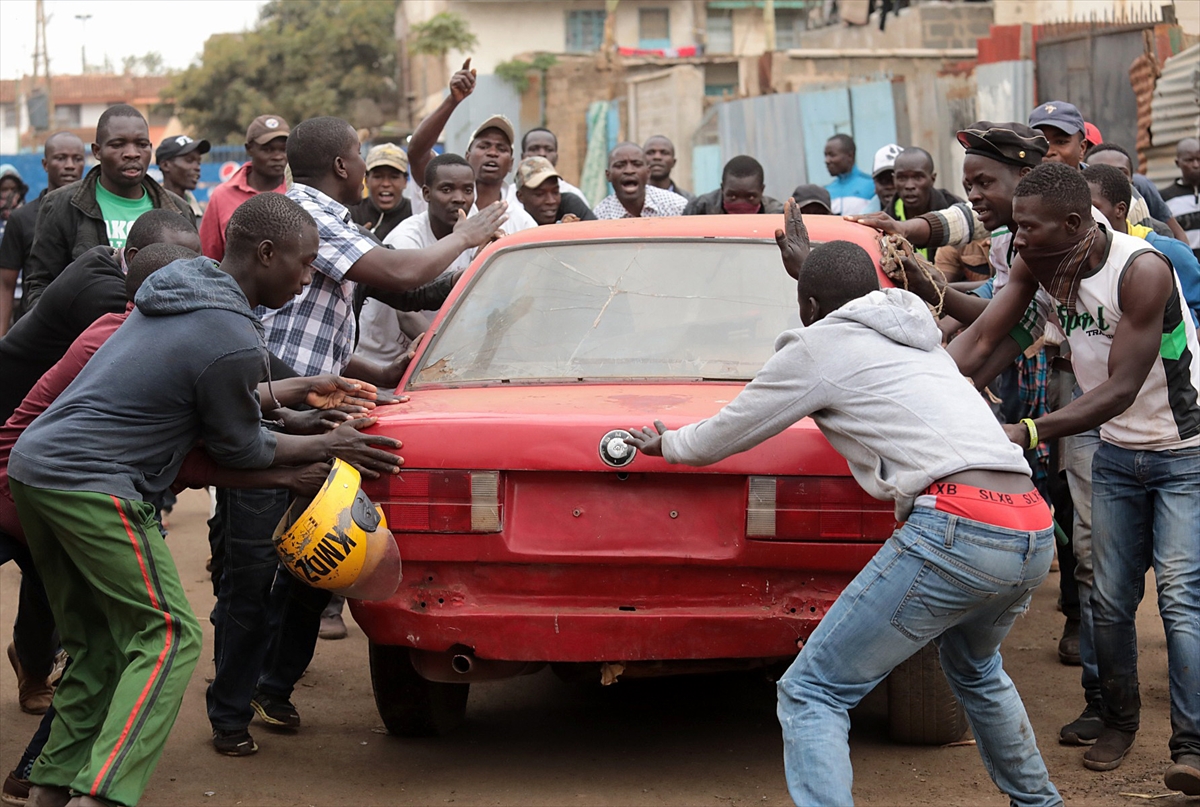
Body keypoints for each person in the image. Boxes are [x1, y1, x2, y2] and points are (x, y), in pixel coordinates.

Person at [625, 200, 1062, 807]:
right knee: (978, 669)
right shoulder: (918, 338)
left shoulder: (816, 347)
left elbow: (722, 435)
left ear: (807, 308)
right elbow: (848, 300)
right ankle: (1040, 802)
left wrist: (665, 444)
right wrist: (812, 270)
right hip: (1029, 525)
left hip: (957, 528)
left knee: (813, 692)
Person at [9, 190, 404, 807]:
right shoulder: (230, 333)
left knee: (96, 644)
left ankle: (50, 791)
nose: (307, 279)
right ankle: (102, 794)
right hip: (95, 484)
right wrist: (333, 447)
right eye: (303, 265)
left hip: (36, 470)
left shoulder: (185, 292)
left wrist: (306, 409)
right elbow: (242, 450)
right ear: (266, 253)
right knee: (168, 634)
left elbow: (222, 405)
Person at [203, 116, 506, 750]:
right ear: (344, 166)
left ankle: (270, 684)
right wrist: (471, 234)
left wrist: (380, 367)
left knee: (326, 553)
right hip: (271, 405)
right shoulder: (308, 217)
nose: (366, 167)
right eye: (360, 157)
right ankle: (230, 709)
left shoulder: (332, 220)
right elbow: (398, 277)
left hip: (315, 401)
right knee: (254, 570)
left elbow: (355, 310)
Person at [947, 161, 1200, 793]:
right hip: (1116, 453)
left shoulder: (1142, 272)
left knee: (1179, 599)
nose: (1017, 239)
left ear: (1074, 223)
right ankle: (1116, 720)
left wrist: (1028, 431)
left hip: (1183, 452)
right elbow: (984, 341)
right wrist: (935, 394)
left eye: (1029, 228)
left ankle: (1192, 747)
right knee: (1108, 598)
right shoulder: (1039, 264)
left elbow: (1118, 389)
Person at [0, 209, 201, 424]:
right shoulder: (100, 290)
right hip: (14, 407)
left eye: (197, 262)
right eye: (176, 263)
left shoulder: (109, 258)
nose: (192, 274)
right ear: (135, 257)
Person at [20, 106, 194, 311]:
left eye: (141, 144)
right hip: (84, 338)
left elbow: (194, 281)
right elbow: (40, 286)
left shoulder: (178, 210)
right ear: (97, 151)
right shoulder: (60, 206)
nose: (132, 154)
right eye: (118, 144)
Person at [407, 60, 536, 230]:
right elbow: (417, 153)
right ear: (467, 157)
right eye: (483, 146)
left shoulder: (523, 223)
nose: (492, 153)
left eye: (501, 148)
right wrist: (452, 101)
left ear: (511, 163)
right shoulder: (443, 194)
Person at [1084, 164, 1200, 327]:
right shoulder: (1079, 259)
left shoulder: (1167, 251)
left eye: (1094, 207)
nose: (1087, 215)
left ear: (1120, 209)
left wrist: (1189, 344)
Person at [0, 132, 85, 333]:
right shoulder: (22, 219)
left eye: (77, 159)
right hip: (35, 330)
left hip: (86, 330)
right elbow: (5, 286)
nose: (70, 165)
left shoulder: (95, 214)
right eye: (60, 158)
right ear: (45, 164)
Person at [199, 114, 290, 261]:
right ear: (249, 149)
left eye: (283, 149)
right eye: (268, 150)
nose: (278, 156)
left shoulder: (297, 193)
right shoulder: (222, 196)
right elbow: (209, 257)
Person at [1085, 141, 1188, 242]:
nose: (1111, 181)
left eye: (1121, 173)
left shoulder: (1158, 236)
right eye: (1097, 173)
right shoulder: (1073, 236)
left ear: (1132, 181)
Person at [888, 147, 965, 262]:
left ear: (932, 179)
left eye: (918, 177)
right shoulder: (887, 219)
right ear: (894, 180)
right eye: (902, 178)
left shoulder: (955, 209)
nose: (909, 186)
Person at [593, 143, 687, 220]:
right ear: (608, 175)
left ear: (648, 172)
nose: (629, 171)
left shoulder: (675, 207)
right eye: (620, 165)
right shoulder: (599, 217)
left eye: (637, 164)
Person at [349, 143, 412, 241]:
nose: (386, 184)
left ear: (405, 181)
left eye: (394, 177)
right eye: (378, 176)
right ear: (366, 181)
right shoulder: (350, 214)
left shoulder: (415, 213)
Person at [683, 155, 784, 215]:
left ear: (762, 190)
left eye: (750, 197)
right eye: (733, 196)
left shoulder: (776, 215)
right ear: (722, 188)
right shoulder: (700, 208)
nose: (741, 204)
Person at [513, 156, 596, 226]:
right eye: (539, 194)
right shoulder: (513, 221)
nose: (551, 201)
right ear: (520, 196)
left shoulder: (570, 204)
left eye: (555, 192)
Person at [520, 127, 589, 203]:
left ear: (556, 158)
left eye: (549, 149)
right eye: (534, 149)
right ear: (523, 157)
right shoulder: (510, 196)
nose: (542, 154)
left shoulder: (573, 194)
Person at [1160, 137, 1200, 260]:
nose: (1196, 165)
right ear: (1178, 163)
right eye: (1189, 160)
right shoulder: (1165, 198)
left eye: (1199, 159)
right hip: (1186, 267)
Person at [155, 134, 210, 217]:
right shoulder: (149, 209)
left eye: (198, 162)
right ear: (165, 165)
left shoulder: (202, 215)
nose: (197, 167)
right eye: (189, 160)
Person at [823, 134, 875, 215]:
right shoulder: (826, 191)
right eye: (825, 155)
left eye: (832, 155)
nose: (827, 160)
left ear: (850, 156)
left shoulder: (872, 186)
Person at [643, 135, 693, 201]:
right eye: (651, 152)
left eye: (664, 153)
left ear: (673, 162)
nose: (657, 157)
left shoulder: (688, 201)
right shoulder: (629, 200)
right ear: (641, 160)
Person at [870, 143, 903, 212]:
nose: (889, 186)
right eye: (883, 180)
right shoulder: (863, 218)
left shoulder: (928, 215)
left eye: (895, 179)